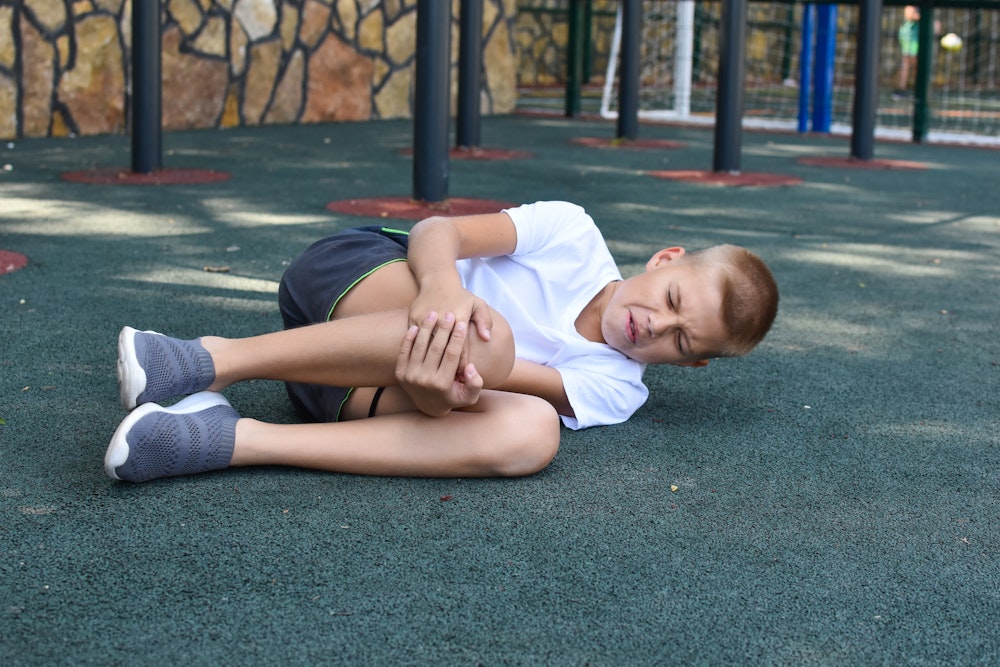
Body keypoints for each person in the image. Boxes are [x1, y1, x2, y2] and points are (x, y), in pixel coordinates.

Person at [104, 201, 779, 483]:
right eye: (670, 302)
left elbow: (485, 389)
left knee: (533, 433)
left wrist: (436, 394)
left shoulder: (617, 390)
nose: (654, 326)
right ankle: (210, 361)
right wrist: (440, 290)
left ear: (689, 362)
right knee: (487, 342)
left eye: (679, 338)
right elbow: (438, 231)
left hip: (360, 390)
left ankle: (228, 440)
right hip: (359, 278)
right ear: (665, 260)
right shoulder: (573, 232)